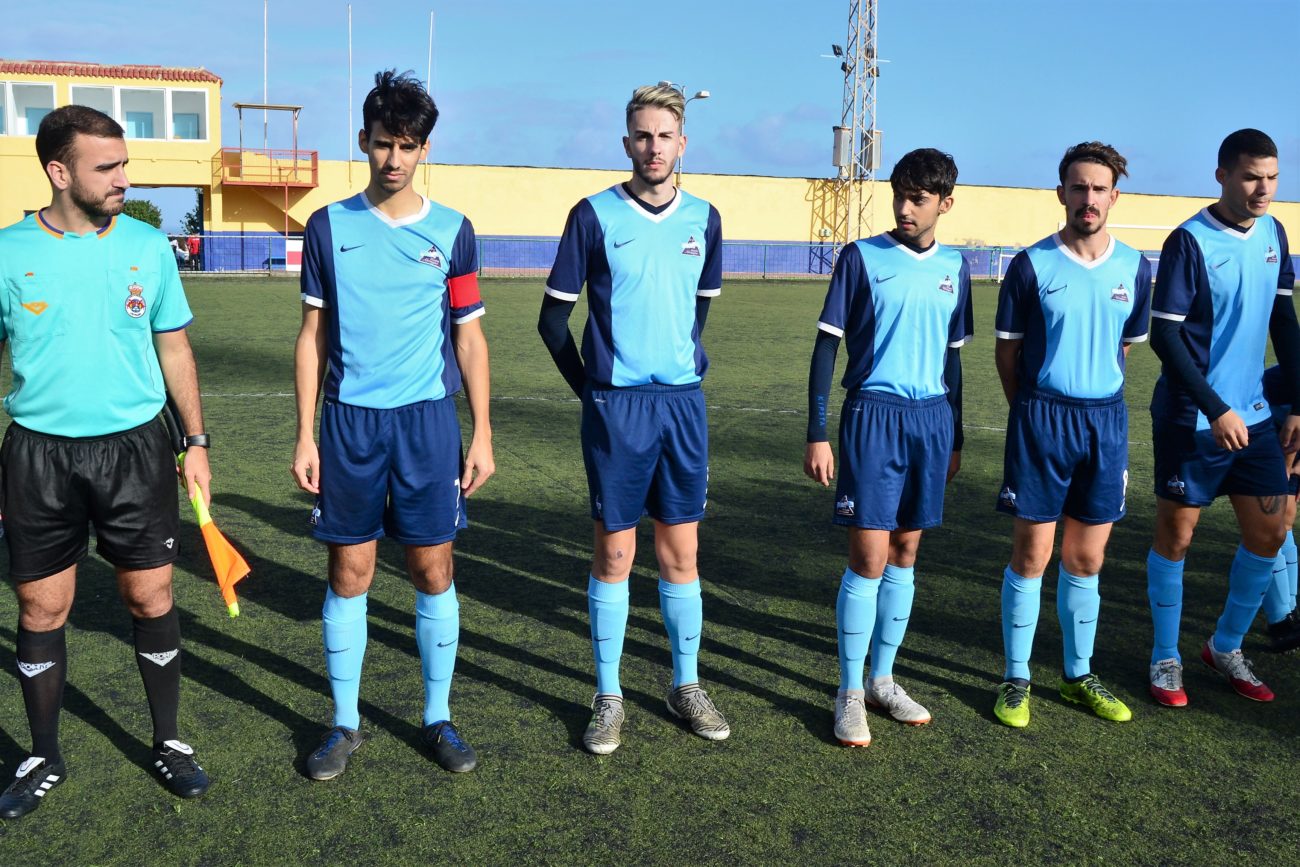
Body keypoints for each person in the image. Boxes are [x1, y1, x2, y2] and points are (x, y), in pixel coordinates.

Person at [0, 105, 212, 818]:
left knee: (151, 597)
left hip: (135, 450)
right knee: (41, 605)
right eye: (108, 167)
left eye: (125, 164)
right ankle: (42, 753)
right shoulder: (7, 251)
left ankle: (169, 740)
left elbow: (173, 347)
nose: (125, 178)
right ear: (59, 172)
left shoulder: (148, 247)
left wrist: (197, 442)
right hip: (38, 454)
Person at [292, 70, 494, 778]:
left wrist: (483, 431)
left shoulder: (454, 231)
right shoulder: (327, 227)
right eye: (383, 143)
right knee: (350, 570)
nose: (394, 159)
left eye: (408, 146)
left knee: (432, 567)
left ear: (424, 148)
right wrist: (305, 433)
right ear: (363, 141)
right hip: (349, 425)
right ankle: (344, 724)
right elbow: (313, 335)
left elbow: (469, 337)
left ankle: (438, 717)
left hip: (427, 424)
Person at [539, 84, 728, 755]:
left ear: (683, 143)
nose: (653, 147)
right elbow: (552, 320)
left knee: (682, 553)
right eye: (643, 136)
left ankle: (686, 684)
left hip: (681, 405)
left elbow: (698, 312)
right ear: (627, 143)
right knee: (614, 552)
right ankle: (609, 694)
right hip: (616, 408)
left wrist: (676, 363)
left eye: (664, 136)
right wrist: (591, 392)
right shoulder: (592, 215)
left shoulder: (705, 218)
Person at [804, 148, 972, 747]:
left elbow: (954, 361)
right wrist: (817, 432)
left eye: (918, 199)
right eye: (899, 195)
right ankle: (850, 692)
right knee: (868, 557)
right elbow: (826, 346)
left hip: (931, 420)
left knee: (905, 552)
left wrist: (957, 435)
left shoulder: (955, 266)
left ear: (944, 203)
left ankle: (883, 679)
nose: (904, 208)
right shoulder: (861, 257)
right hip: (873, 415)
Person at [990, 142, 1151, 728]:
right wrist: (1031, 413)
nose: (1089, 198)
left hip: (1104, 423)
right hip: (1042, 419)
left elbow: (1124, 347)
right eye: (1078, 187)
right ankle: (1016, 678)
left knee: (1086, 558)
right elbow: (1007, 355)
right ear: (1061, 193)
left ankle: (1079, 675)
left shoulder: (1135, 266)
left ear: (1114, 196)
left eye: (1099, 188)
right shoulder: (1031, 265)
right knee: (1032, 554)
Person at [1146, 128, 1300, 706]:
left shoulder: (1274, 232)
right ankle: (1166, 656)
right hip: (1193, 418)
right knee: (1176, 537)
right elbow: (1165, 336)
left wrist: (1298, 403)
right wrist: (1215, 409)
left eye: (1272, 178)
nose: (1264, 189)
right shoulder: (1189, 241)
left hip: (1255, 418)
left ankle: (1226, 646)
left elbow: (1283, 321)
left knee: (1271, 532)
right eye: (1251, 177)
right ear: (1222, 176)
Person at [1258, 365, 1300, 652]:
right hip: (1267, 415)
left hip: (1286, 418)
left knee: (1284, 518)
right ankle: (1281, 619)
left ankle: (1289, 611)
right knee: (1268, 523)